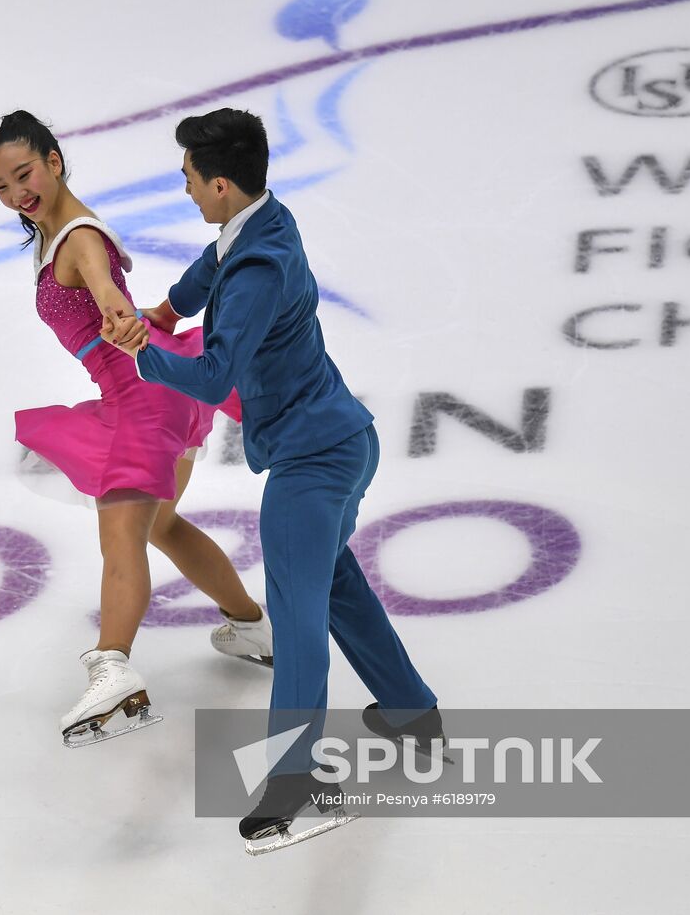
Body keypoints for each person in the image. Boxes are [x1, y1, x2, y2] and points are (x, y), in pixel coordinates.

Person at [0, 32, 271, 746]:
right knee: (159, 525)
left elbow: (101, 285)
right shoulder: (46, 207)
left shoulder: (78, 238)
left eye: (25, 176)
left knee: (122, 533)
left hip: (143, 396)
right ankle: (250, 626)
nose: (14, 192)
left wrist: (120, 316)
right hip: (161, 382)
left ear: (55, 163)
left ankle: (113, 668)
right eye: (2, 183)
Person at [105, 109, 441, 847]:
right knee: (335, 586)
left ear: (221, 183)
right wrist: (165, 309)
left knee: (295, 615)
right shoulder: (263, 221)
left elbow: (217, 371)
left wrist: (139, 351)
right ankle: (413, 711)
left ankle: (297, 780)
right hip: (342, 440)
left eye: (191, 178)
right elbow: (214, 261)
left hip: (312, 461)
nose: (186, 188)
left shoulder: (257, 269)